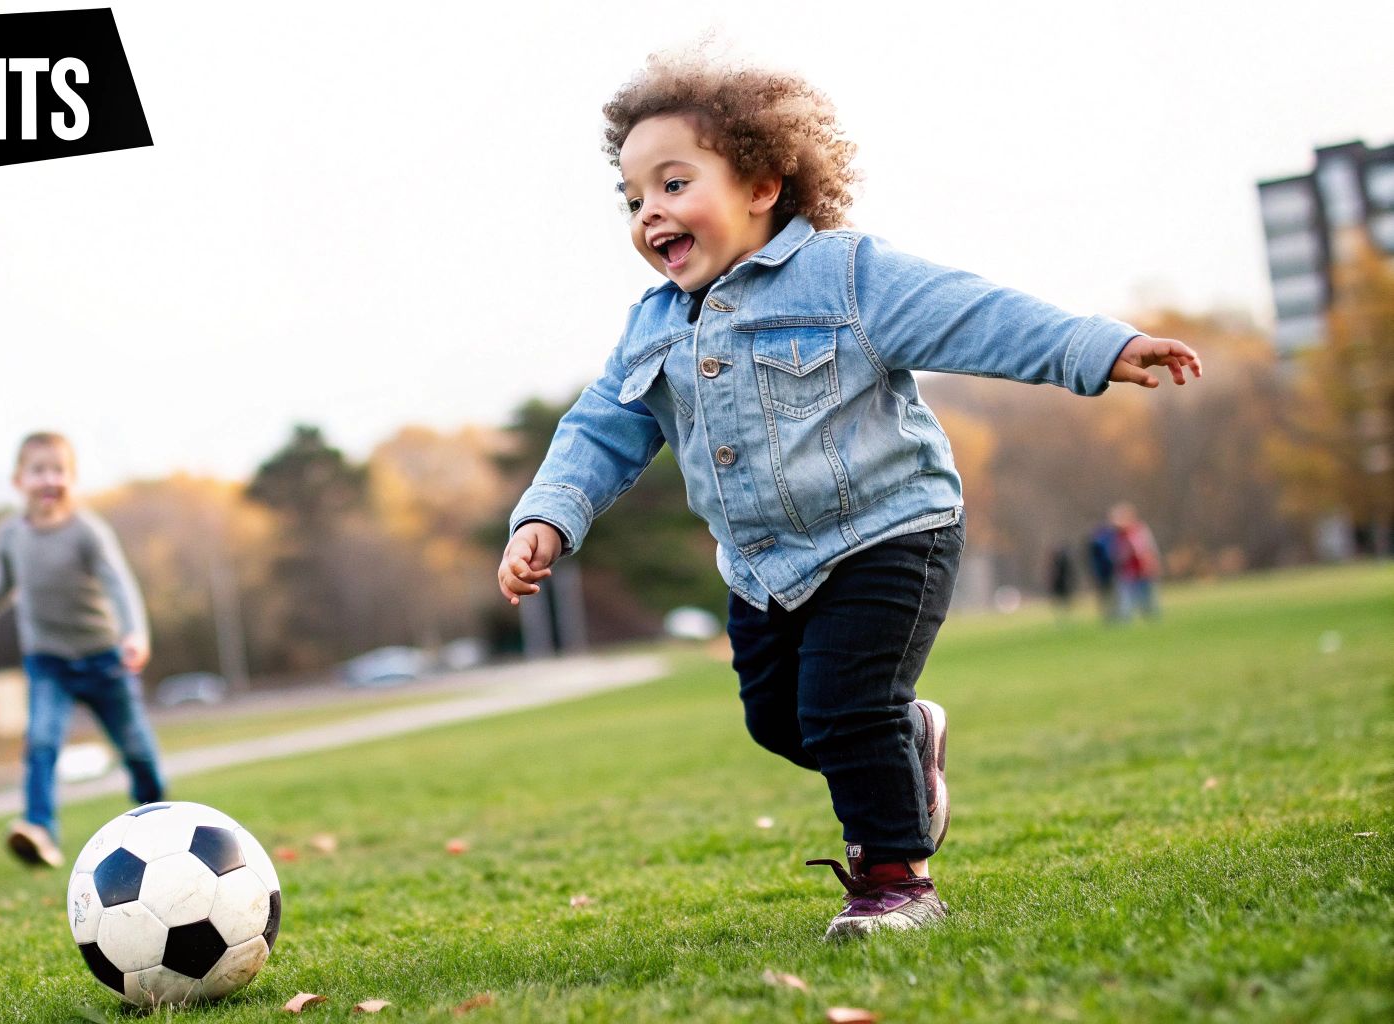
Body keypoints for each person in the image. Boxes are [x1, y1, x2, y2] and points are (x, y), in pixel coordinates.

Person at [496, 56, 1202, 940]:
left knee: (843, 707)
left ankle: (898, 883)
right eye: (634, 197)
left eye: (674, 183)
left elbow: (972, 313)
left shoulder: (843, 276)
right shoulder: (653, 325)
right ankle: (909, 742)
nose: (651, 213)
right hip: (764, 569)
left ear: (762, 182)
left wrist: (1097, 349)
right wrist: (546, 515)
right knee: (781, 722)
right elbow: (600, 429)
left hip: (891, 532)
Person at [0, 433, 162, 868]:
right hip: (48, 662)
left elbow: (119, 583)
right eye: (39, 470)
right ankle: (39, 830)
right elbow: (1, 585)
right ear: (19, 480)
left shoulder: (87, 531)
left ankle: (157, 821)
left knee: (135, 748)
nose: (49, 479)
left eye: (59, 470)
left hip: (104, 658)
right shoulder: (11, 535)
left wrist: (135, 634)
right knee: (40, 741)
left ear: (73, 479)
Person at [1110, 503, 1162, 621]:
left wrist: (1150, 564)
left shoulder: (1138, 531)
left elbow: (1147, 549)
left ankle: (1152, 619)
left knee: (1147, 598)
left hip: (1142, 570)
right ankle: (1125, 620)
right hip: (1127, 572)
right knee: (1126, 599)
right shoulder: (1117, 535)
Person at [1087, 519, 1120, 622]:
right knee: (1110, 596)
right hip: (1107, 573)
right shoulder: (1104, 542)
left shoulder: (1095, 543)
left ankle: (1109, 616)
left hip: (1101, 573)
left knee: (1105, 596)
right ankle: (1112, 615)